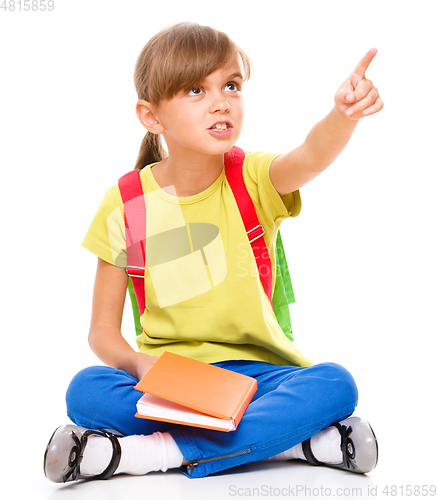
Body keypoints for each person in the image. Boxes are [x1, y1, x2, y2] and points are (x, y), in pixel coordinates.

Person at [44, 22, 383, 483]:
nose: (221, 101)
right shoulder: (124, 204)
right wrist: (142, 365)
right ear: (151, 116)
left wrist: (342, 116)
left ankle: (146, 454)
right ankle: (298, 444)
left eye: (230, 85)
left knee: (334, 383)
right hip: (170, 379)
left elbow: (308, 155)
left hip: (259, 380)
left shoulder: (253, 179)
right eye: (194, 90)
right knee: (87, 390)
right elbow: (102, 331)